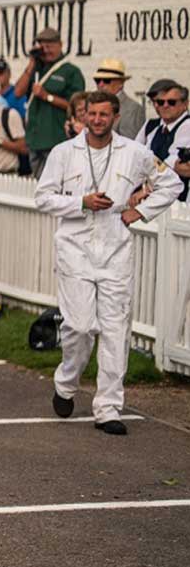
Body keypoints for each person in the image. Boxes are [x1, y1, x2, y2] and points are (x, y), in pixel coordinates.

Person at [33, 90, 182, 435]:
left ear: (115, 117)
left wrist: (139, 211)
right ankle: (66, 382)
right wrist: (80, 203)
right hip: (75, 247)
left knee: (116, 329)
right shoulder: (63, 153)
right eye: (92, 114)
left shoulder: (135, 153)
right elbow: (42, 197)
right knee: (80, 326)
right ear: (84, 116)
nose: (97, 120)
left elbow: (171, 183)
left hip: (115, 246)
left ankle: (109, 407)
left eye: (104, 114)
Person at [14, 26, 85, 176]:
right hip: (34, 141)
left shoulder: (71, 71)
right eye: (42, 46)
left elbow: (76, 107)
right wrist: (31, 64)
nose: (46, 50)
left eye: (50, 46)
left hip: (56, 140)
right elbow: (18, 92)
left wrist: (47, 97)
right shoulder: (36, 69)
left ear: (60, 44)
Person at [138, 80, 190, 203]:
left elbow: (171, 164)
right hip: (151, 198)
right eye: (160, 102)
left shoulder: (187, 125)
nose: (165, 106)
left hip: (178, 200)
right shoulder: (151, 125)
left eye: (172, 102)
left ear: (185, 104)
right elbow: (134, 154)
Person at [91, 59, 145, 138]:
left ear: (121, 83)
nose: (101, 84)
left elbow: (129, 142)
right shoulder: (92, 105)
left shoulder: (132, 108)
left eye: (107, 80)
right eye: (97, 80)